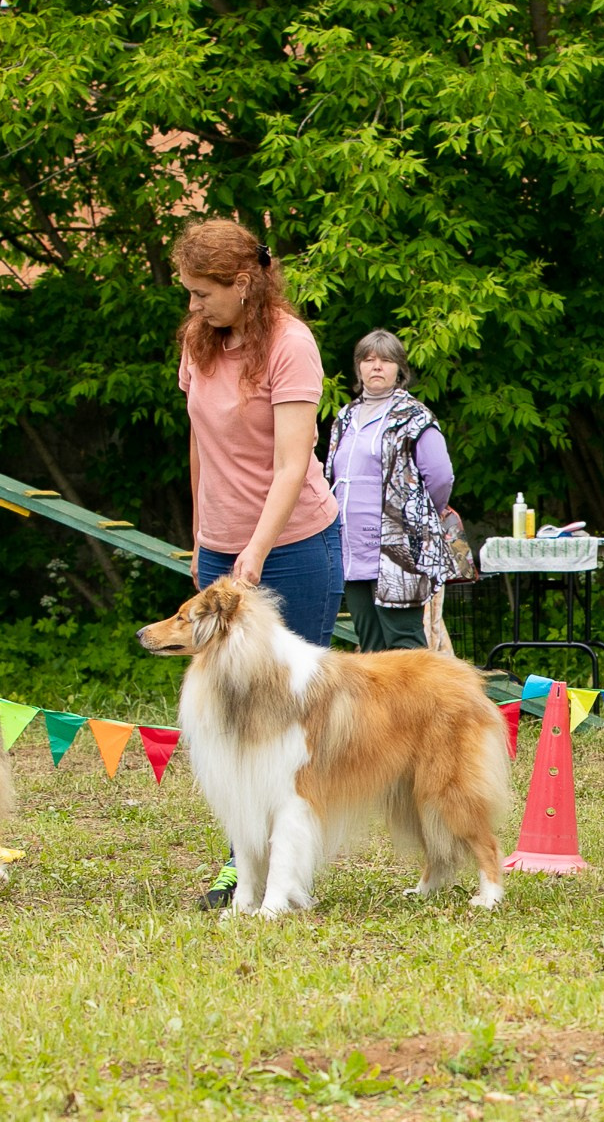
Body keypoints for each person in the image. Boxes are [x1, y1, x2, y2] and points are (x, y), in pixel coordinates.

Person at [172, 220, 342, 909]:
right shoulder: (199, 343)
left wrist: (258, 549)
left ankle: (285, 865)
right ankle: (240, 860)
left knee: (288, 720)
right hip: (222, 548)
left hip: (296, 546)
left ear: (243, 283)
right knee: (229, 713)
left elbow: (292, 462)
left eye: (203, 292)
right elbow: (199, 446)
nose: (194, 307)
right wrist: (200, 535)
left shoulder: (291, 346)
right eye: (188, 293)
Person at [325, 329, 455, 652]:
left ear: (400, 369)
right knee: (370, 647)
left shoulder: (415, 416)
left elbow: (441, 477)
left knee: (404, 646)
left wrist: (419, 517)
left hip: (397, 551)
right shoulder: (345, 417)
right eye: (368, 360)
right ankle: (382, 707)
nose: (376, 367)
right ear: (358, 368)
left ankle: (419, 706)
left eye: (385, 360)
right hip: (352, 551)